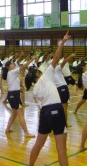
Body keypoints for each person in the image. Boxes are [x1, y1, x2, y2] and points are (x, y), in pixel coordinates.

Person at [29, 31, 70, 166]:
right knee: (61, 149)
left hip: (45, 112)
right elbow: (56, 58)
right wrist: (62, 41)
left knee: (38, 144)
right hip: (57, 110)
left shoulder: (35, 89)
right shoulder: (46, 75)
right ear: (38, 74)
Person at [2, 52, 35, 137]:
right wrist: (31, 59)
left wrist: (20, 88)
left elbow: (14, 85)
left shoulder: (12, 74)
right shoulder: (12, 72)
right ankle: (26, 133)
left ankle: (7, 129)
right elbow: (23, 67)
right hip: (14, 96)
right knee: (20, 114)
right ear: (8, 67)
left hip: (13, 95)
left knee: (14, 114)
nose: (13, 64)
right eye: (12, 64)